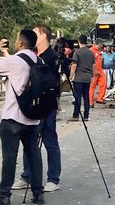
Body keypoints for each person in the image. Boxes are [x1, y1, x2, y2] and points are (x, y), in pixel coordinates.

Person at [11, 25, 61, 193]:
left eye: (35, 33)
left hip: (47, 105)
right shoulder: (32, 55)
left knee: (49, 140)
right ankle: (27, 175)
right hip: (32, 104)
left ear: (44, 36)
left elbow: (54, 84)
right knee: (29, 140)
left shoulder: (52, 57)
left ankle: (53, 178)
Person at [0, 30, 44, 204]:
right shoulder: (38, 61)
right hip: (33, 118)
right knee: (34, 155)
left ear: (19, 43)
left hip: (12, 118)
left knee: (9, 158)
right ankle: (38, 193)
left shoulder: (14, 61)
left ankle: (4, 195)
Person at [68, 35, 95, 122]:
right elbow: (93, 66)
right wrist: (92, 76)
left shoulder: (77, 52)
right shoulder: (91, 53)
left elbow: (74, 65)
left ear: (79, 41)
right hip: (88, 78)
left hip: (79, 78)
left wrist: (71, 76)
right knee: (86, 97)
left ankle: (76, 115)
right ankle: (86, 115)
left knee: (78, 97)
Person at [89, 39, 106, 108]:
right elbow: (89, 62)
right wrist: (93, 70)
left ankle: (100, 98)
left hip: (100, 70)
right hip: (94, 71)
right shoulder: (91, 51)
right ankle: (90, 102)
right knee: (92, 87)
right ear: (99, 44)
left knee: (104, 83)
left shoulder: (99, 51)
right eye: (102, 44)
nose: (102, 45)